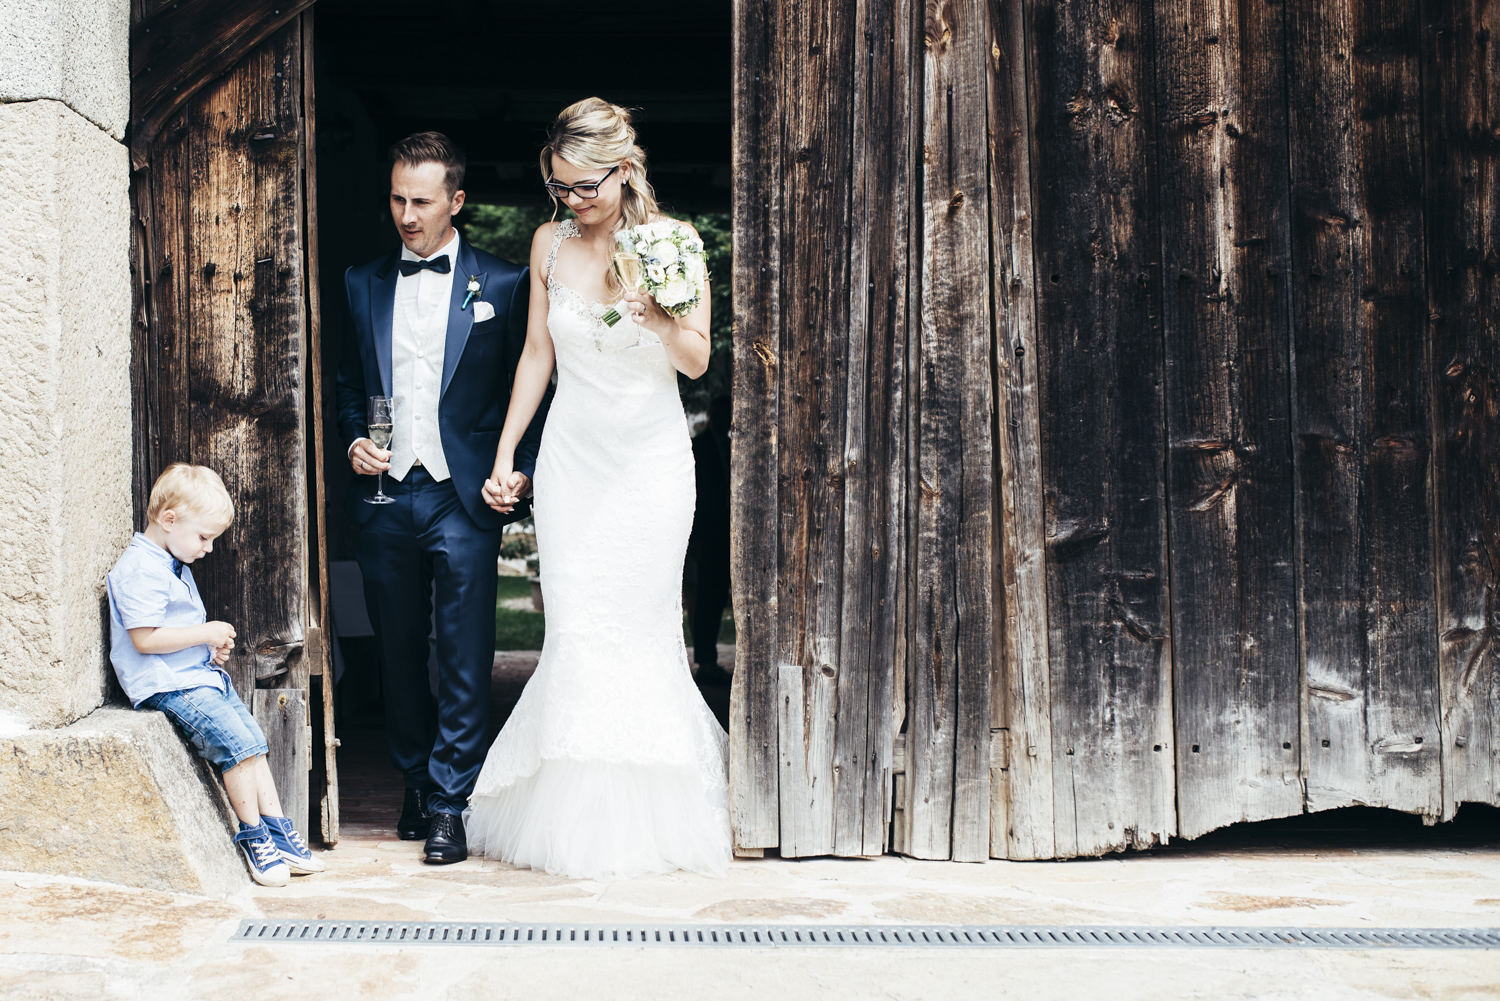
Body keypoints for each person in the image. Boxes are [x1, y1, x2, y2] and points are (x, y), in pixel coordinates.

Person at [465, 97, 731, 878]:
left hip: (650, 462)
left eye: (586, 187)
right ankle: (572, 814)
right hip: (575, 461)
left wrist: (652, 314)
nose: (573, 202)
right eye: (561, 188)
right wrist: (508, 448)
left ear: (624, 168)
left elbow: (696, 361)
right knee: (576, 629)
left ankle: (652, 816)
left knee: (644, 628)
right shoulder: (549, 243)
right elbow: (537, 356)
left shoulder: (673, 243)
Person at [335, 132, 548, 864]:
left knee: (464, 653)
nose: (406, 214)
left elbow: (536, 385)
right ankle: (414, 781)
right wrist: (354, 441)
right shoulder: (361, 281)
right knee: (396, 652)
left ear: (457, 200)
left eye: (421, 201)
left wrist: (517, 465)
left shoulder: (507, 283)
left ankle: (452, 799)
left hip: (464, 496)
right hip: (389, 495)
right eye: (396, 198)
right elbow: (345, 384)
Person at [106, 463, 324, 887]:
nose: (207, 548)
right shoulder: (140, 569)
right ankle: (253, 836)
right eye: (203, 537)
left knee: (254, 743)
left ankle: (278, 828)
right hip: (169, 686)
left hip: (195, 677)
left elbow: (172, 632)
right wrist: (203, 632)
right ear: (169, 520)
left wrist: (206, 644)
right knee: (238, 748)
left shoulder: (170, 563)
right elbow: (146, 640)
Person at [689, 395, 733, 688]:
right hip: (704, 535)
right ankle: (705, 661)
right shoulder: (697, 447)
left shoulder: (734, 447)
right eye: (716, 411)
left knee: (718, 598)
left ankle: (713, 660)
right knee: (703, 599)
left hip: (728, 534)